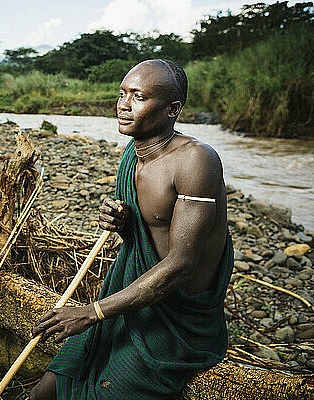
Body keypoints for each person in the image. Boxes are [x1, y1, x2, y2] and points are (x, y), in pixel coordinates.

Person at [29, 59, 233, 399]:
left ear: (172, 109)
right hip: (133, 295)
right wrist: (123, 223)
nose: (123, 105)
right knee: (50, 384)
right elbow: (147, 232)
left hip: (176, 321)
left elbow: (181, 266)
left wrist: (92, 312)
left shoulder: (196, 160)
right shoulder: (132, 151)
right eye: (122, 94)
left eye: (138, 96)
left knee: (109, 389)